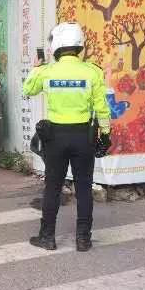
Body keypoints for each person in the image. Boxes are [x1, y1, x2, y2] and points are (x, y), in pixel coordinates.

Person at [22, 23, 111, 252]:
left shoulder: (47, 71)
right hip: (83, 137)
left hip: (55, 137)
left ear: (57, 46)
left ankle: (47, 237)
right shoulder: (92, 71)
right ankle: (83, 239)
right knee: (84, 187)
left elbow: (28, 89)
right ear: (79, 45)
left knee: (53, 186)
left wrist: (36, 68)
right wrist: (106, 134)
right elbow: (102, 108)